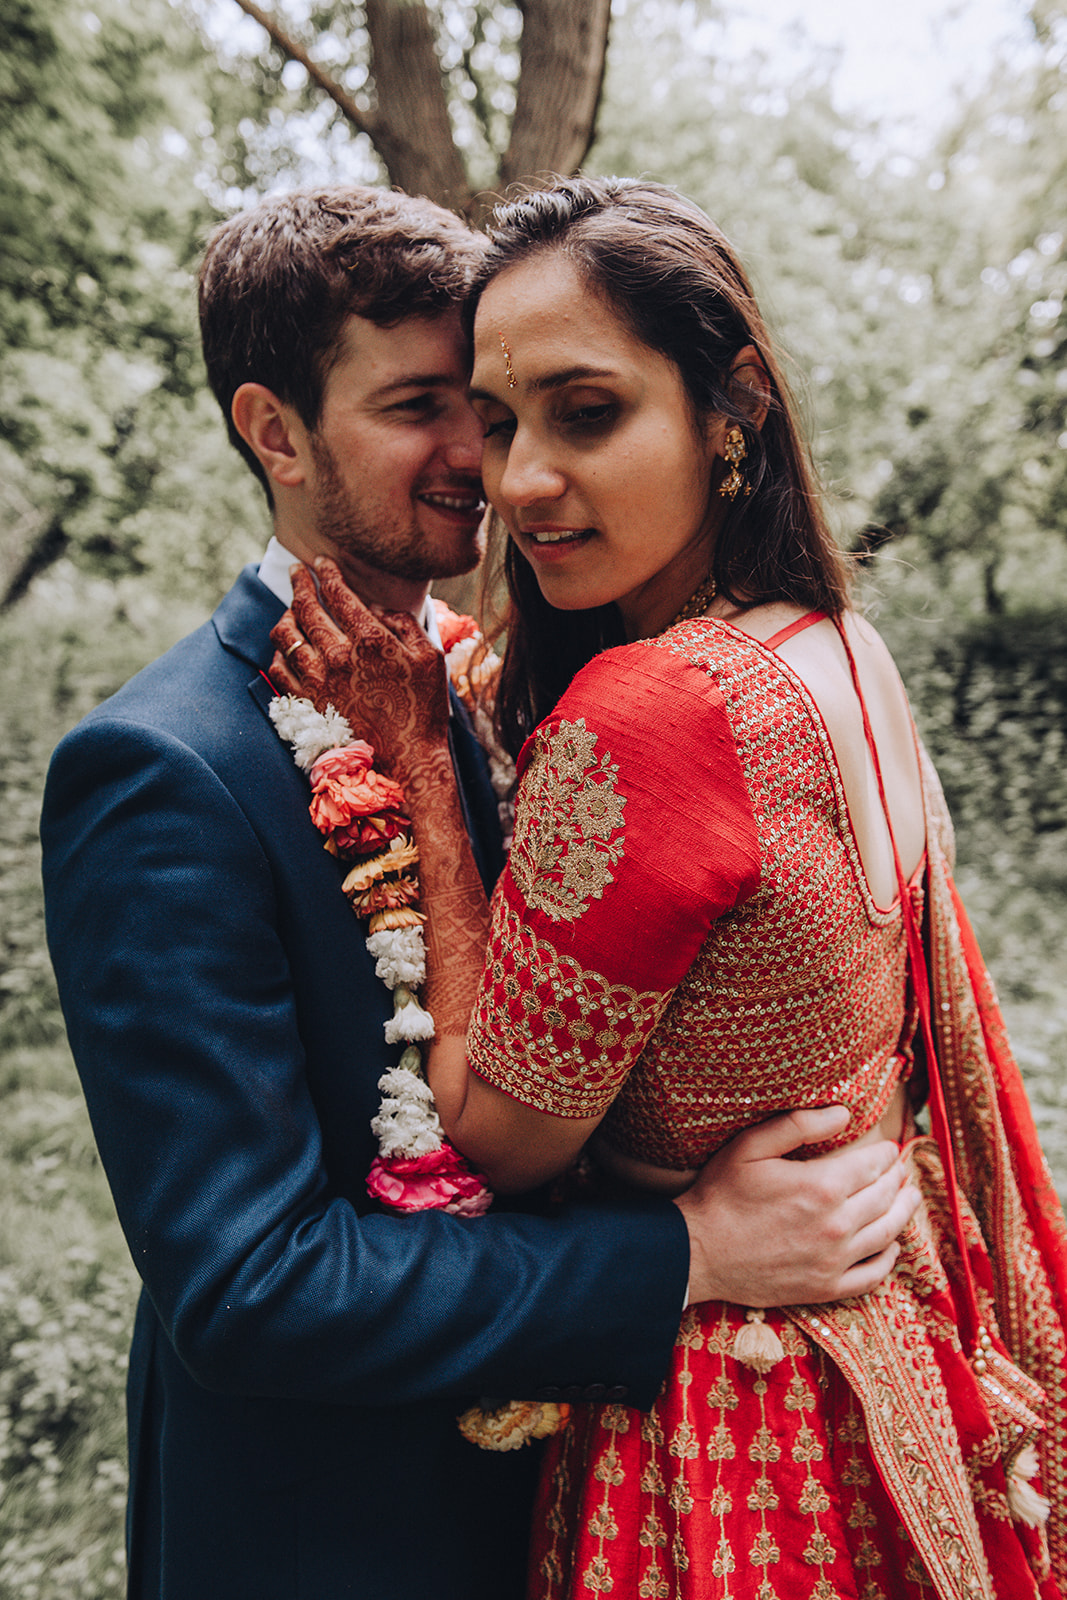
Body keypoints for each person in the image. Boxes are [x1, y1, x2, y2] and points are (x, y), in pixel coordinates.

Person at [39, 184, 917, 1600]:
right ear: (275, 431)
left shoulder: (502, 684)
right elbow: (251, 1290)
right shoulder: (161, 771)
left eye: (496, 411)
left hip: (581, 1498)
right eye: (420, 410)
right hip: (342, 1534)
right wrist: (686, 1252)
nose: (487, 465)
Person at [272, 177, 1067, 1600]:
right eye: (499, 422)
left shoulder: (656, 710)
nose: (518, 482)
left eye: (588, 414)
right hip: (890, 1346)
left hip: (731, 1415)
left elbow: (496, 1139)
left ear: (732, 407)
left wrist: (429, 791)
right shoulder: (832, 644)